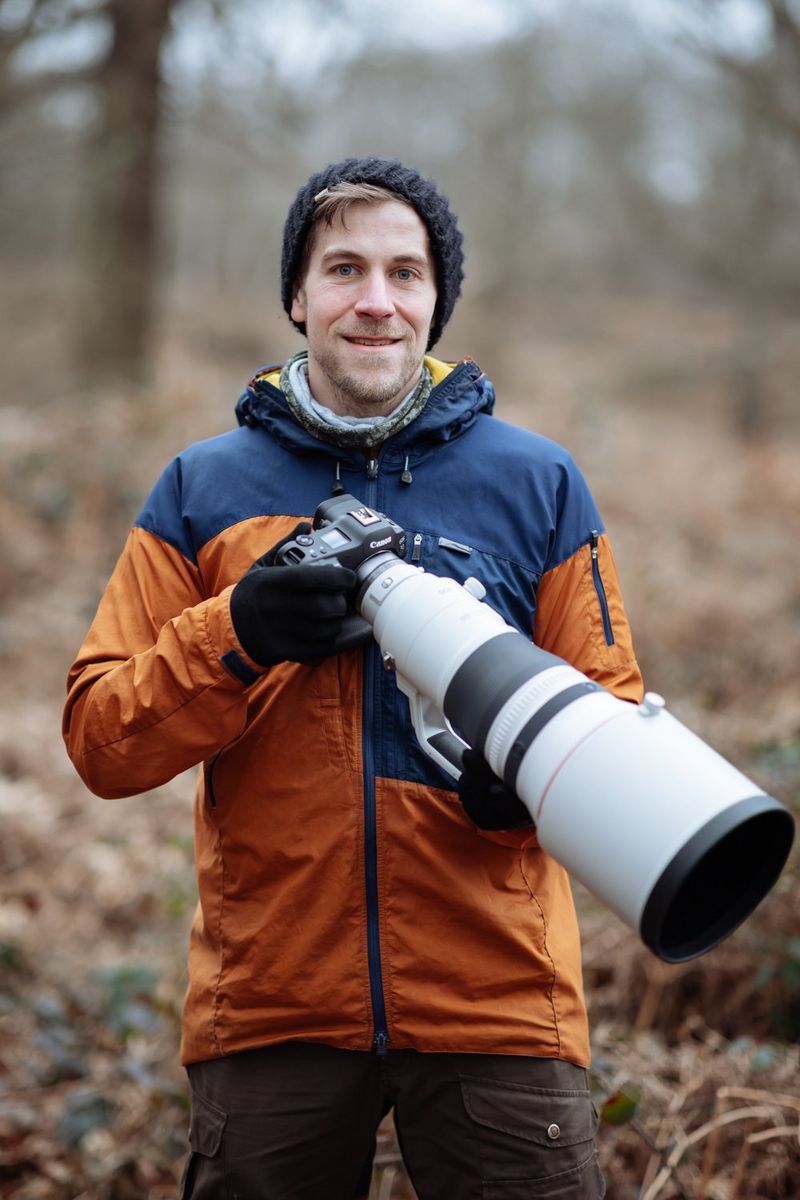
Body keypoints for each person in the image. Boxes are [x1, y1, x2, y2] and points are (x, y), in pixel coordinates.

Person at [63, 156, 643, 1199]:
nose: (375, 301)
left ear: (435, 299)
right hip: (272, 1000)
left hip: (498, 998)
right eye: (342, 270)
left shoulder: (536, 483)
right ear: (296, 296)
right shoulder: (202, 488)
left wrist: (532, 783)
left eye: (404, 274)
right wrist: (233, 631)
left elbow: (617, 727)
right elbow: (103, 741)